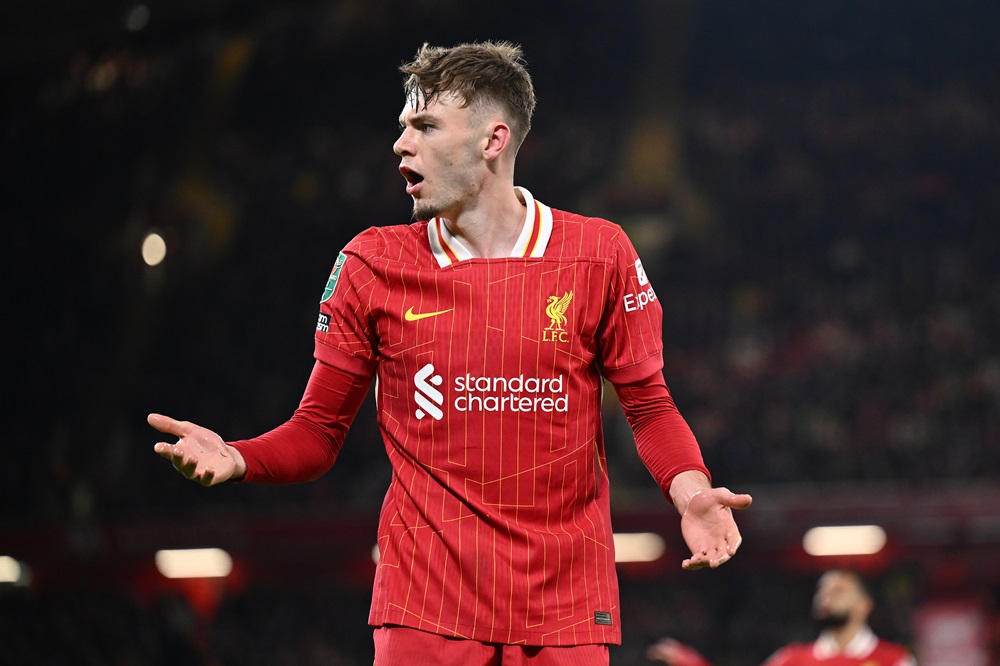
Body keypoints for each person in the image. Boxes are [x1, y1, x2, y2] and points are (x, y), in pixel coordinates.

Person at [149, 40, 752, 666]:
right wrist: (240, 457)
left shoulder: (599, 254)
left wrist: (691, 492)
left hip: (565, 608)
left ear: (493, 141)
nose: (400, 144)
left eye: (425, 126)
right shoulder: (372, 263)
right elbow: (318, 431)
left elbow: (650, 409)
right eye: (403, 126)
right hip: (424, 609)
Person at [646, 569, 916, 666]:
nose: (826, 596)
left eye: (839, 590)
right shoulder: (793, 659)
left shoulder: (894, 660)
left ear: (864, 605)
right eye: (822, 590)